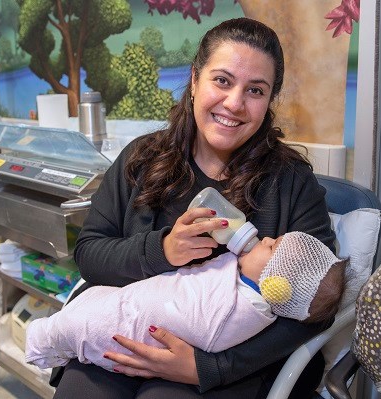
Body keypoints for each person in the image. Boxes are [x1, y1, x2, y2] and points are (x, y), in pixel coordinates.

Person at [54, 17, 337, 399]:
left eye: (255, 90)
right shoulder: (141, 160)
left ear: (269, 100)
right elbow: (90, 254)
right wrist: (163, 250)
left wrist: (206, 368)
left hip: (233, 361)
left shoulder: (291, 182)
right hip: (129, 332)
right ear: (194, 80)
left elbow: (314, 304)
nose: (234, 103)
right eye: (222, 80)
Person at [26, 232, 347, 370]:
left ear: (274, 286)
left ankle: (41, 342)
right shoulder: (251, 286)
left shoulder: (234, 312)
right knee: (96, 307)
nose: (264, 238)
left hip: (133, 327)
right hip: (130, 298)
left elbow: (197, 323)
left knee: (79, 324)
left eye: (272, 246)